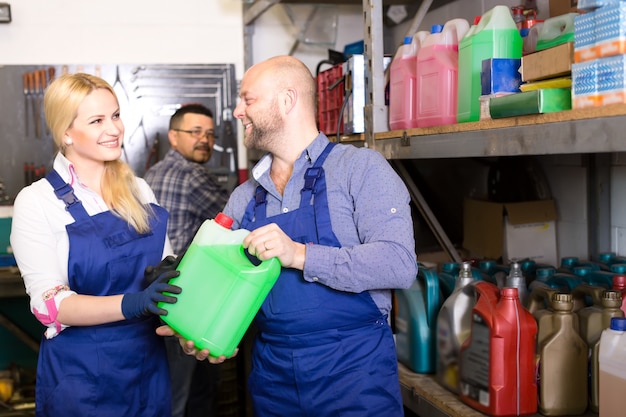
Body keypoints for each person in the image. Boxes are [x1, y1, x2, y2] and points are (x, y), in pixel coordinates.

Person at [167, 55, 418, 415]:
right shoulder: (243, 198)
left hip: (353, 374)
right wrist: (201, 333)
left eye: (247, 99)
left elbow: (398, 263)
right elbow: (225, 291)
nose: (238, 111)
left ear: (287, 100)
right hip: (273, 379)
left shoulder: (359, 169)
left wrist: (299, 254)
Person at [9, 73, 182, 417]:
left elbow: (164, 269)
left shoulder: (138, 190)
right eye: (97, 120)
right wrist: (133, 302)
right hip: (83, 379)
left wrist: (168, 275)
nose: (114, 128)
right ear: (66, 133)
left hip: (148, 370)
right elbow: (51, 306)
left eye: (116, 115)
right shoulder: (38, 201)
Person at [144, 103, 229, 417]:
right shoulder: (192, 175)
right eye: (195, 132)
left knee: (173, 393)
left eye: (209, 134)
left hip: (156, 295)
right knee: (185, 396)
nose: (204, 139)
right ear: (173, 136)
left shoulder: (154, 171)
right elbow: (237, 217)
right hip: (184, 301)